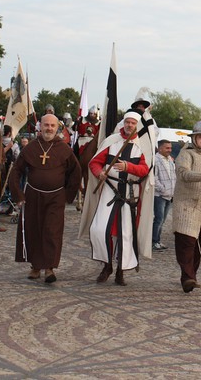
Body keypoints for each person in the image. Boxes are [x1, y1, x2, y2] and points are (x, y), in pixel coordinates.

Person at [79, 111, 150, 286]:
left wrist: (128, 166)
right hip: (110, 191)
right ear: (123, 124)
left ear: (137, 126)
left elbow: (145, 170)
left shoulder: (142, 146)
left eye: (133, 123)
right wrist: (100, 172)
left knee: (125, 234)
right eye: (127, 122)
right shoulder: (111, 142)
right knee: (100, 229)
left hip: (128, 195)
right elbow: (94, 163)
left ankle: (120, 271)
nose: (130, 125)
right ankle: (107, 265)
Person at [9, 114, 81, 283]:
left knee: (51, 231)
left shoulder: (64, 150)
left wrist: (68, 195)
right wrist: (19, 195)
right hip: (33, 195)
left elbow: (75, 173)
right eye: (46, 125)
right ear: (40, 126)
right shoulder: (31, 148)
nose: (49, 128)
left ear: (57, 128)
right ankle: (35, 266)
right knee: (34, 230)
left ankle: (49, 268)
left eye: (52, 125)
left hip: (56, 197)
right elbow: (16, 171)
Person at [172, 121, 201, 293]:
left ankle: (192, 275)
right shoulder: (186, 154)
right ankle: (187, 277)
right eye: (200, 137)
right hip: (186, 206)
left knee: (199, 244)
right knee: (186, 242)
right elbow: (183, 174)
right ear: (194, 138)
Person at [152, 139, 175, 251]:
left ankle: (158, 240)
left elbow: (173, 176)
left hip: (169, 195)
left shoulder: (170, 159)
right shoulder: (155, 160)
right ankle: (154, 241)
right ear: (160, 148)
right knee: (159, 219)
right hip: (159, 195)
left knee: (163, 220)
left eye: (170, 148)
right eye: (167, 148)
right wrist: (163, 189)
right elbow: (154, 178)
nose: (170, 150)